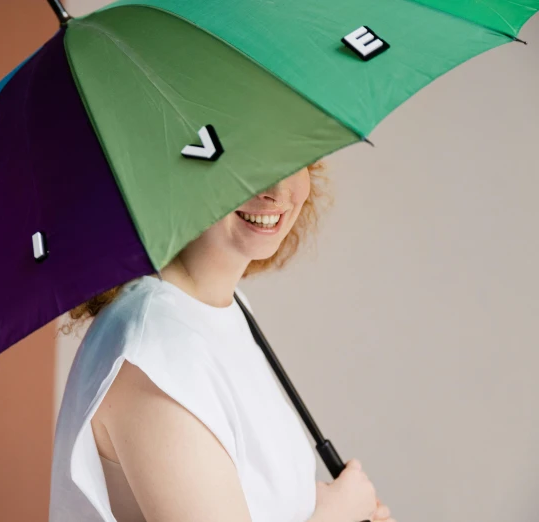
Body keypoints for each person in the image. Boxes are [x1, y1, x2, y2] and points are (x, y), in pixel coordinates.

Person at [48, 161, 396, 522]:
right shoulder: (155, 350)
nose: (276, 191)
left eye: (290, 157)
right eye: (244, 160)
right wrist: (337, 512)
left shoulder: (227, 308)